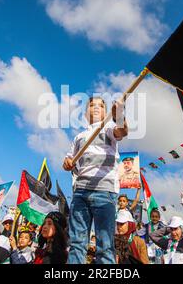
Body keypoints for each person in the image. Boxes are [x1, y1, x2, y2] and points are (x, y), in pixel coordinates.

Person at [63, 97, 128, 264]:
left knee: (105, 245)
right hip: (80, 192)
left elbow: (122, 131)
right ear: (85, 114)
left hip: (104, 192)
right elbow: (68, 161)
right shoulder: (79, 137)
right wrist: (68, 163)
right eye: (92, 105)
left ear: (106, 112)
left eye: (101, 105)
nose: (97, 107)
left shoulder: (109, 128)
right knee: (77, 243)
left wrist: (119, 114)